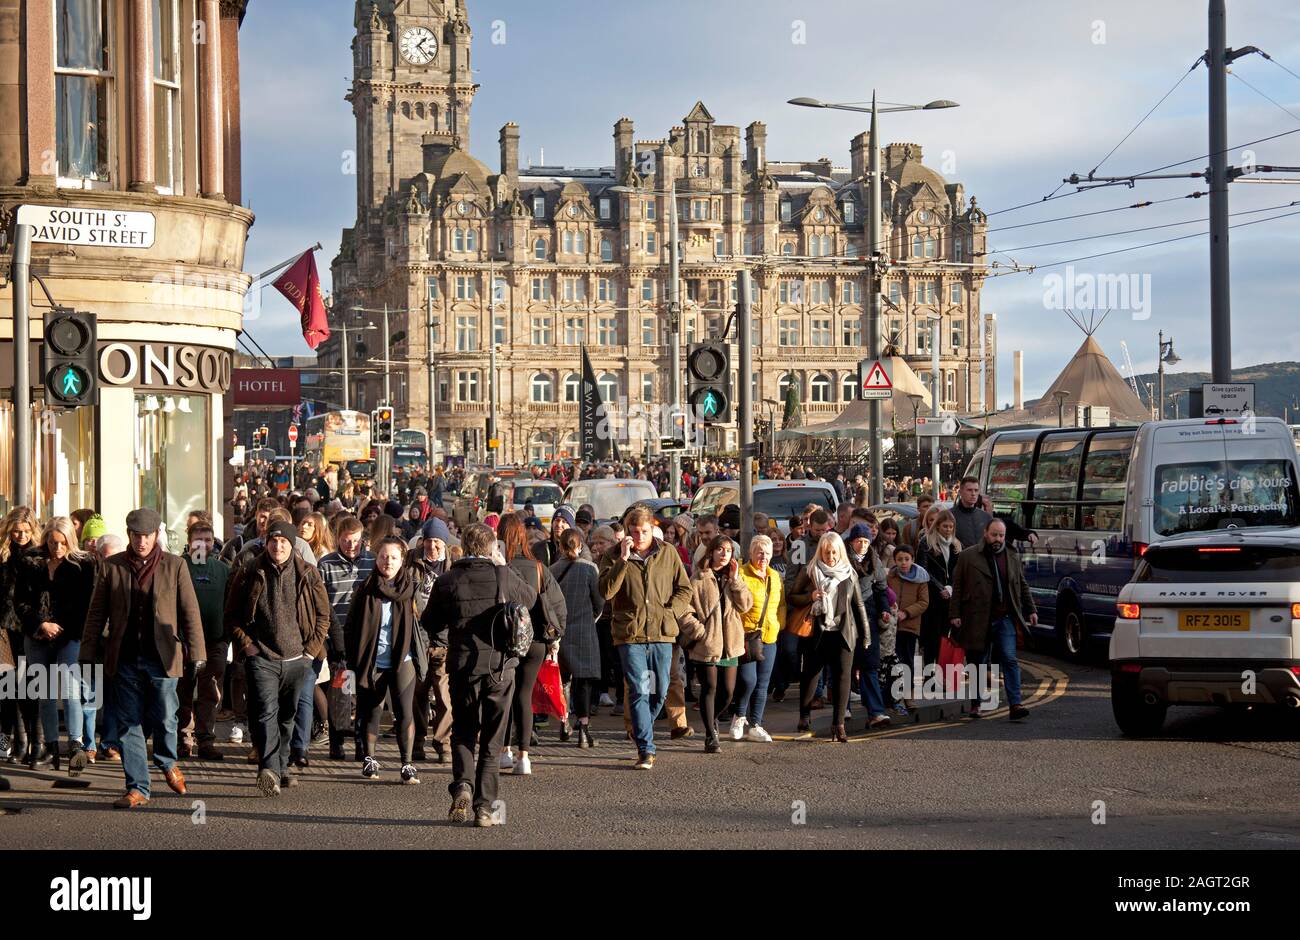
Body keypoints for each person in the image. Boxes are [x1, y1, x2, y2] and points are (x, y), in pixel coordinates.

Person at [81, 508, 205, 808]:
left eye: (147, 536)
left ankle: (166, 762)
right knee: (128, 723)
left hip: (163, 657)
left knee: (165, 717)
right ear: (129, 535)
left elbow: (189, 611)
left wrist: (197, 651)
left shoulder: (175, 566)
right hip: (124, 657)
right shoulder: (112, 566)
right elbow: (97, 612)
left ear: (155, 536)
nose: (141, 542)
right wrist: (87, 651)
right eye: (136, 536)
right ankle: (137, 788)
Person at [422, 523, 537, 827]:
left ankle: (462, 785)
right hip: (500, 667)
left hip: (461, 665)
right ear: (491, 548)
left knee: (462, 730)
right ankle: (484, 807)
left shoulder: (448, 580)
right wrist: (503, 566)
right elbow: (530, 599)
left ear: (462, 544)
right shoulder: (502, 574)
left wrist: (451, 631)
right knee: (492, 739)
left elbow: (429, 621)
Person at [224, 521, 331, 796]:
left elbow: (323, 615)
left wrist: (310, 651)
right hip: (262, 658)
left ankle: (281, 769)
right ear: (266, 542)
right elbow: (232, 614)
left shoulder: (308, 573)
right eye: (273, 540)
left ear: (293, 545)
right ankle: (269, 769)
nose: (278, 546)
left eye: (284, 541)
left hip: (298, 659)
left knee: (287, 716)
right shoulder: (250, 570)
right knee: (264, 714)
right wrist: (248, 645)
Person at [597, 504, 692, 769]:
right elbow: (606, 591)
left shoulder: (669, 553)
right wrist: (623, 560)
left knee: (660, 690)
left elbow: (684, 589)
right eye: (634, 531)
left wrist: (670, 613)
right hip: (630, 634)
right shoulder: (613, 556)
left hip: (662, 633)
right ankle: (645, 748)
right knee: (638, 689)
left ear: (653, 530)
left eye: (644, 531)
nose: (639, 536)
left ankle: (642, 728)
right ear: (627, 531)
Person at [16, 518, 98, 770]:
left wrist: (59, 628)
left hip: (69, 635)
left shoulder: (83, 565)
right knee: (45, 693)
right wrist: (41, 625)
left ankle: (76, 745)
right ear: (46, 541)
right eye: (53, 543)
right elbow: (20, 602)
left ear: (70, 541)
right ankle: (50, 747)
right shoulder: (31, 563)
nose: (58, 548)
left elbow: (86, 604)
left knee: (72, 689)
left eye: (63, 543)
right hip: (37, 635)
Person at [344, 536, 429, 784]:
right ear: (376, 558)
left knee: (404, 713)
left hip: (404, 659)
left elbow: (422, 624)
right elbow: (350, 625)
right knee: (372, 711)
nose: (387, 562)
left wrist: (421, 648)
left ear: (402, 560)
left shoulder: (412, 588)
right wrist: (352, 657)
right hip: (373, 660)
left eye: (393, 557)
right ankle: (370, 759)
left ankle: (407, 763)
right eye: (383, 556)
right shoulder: (366, 587)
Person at [498, 514, 566, 776]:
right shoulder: (539, 567)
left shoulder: (499, 567)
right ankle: (523, 757)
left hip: (505, 639)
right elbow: (558, 606)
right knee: (523, 695)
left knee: (504, 695)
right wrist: (554, 637)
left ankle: (504, 751)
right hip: (536, 639)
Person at [950, 519, 1036, 721]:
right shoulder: (968, 556)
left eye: (1002, 536)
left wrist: (1031, 609)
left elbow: (1021, 584)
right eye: (994, 535)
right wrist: (954, 615)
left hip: (1004, 617)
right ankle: (976, 704)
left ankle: (1015, 704)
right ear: (985, 533)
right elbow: (958, 587)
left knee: (1009, 658)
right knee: (977, 661)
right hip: (977, 617)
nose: (998, 539)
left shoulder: (1012, 555)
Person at [788, 532, 869, 742]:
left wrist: (866, 635)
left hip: (843, 632)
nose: (830, 557)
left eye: (834, 552)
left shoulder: (849, 573)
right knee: (811, 675)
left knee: (843, 677)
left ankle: (839, 724)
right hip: (817, 632)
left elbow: (858, 605)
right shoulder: (809, 571)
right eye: (826, 553)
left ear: (840, 551)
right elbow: (793, 597)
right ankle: (804, 716)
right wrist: (810, 596)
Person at [679, 535, 753, 753]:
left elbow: (746, 605)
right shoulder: (698, 579)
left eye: (728, 551)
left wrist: (736, 580)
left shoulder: (734, 578)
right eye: (720, 549)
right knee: (709, 688)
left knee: (728, 692)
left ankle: (713, 721)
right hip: (707, 642)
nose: (724, 554)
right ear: (710, 552)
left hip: (730, 643)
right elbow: (684, 611)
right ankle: (711, 735)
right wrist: (698, 631)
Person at [318, 515, 376, 760]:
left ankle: (362, 744)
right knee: (340, 693)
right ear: (338, 540)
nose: (352, 545)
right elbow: (322, 604)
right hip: (337, 637)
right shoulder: (326, 565)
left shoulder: (373, 562)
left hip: (365, 637)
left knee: (363, 692)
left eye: (356, 540)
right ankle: (337, 742)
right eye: (346, 541)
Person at [177, 520, 230, 760]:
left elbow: (231, 602)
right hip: (185, 641)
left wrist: (227, 637)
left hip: (215, 640)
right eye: (199, 540)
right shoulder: (179, 566)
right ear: (189, 543)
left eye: (208, 540)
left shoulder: (222, 569)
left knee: (210, 691)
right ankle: (183, 738)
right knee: (184, 689)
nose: (204, 544)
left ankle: (206, 740)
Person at [550, 528, 604, 748]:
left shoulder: (551, 570)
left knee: (562, 682)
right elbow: (599, 602)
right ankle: (583, 728)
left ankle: (564, 723)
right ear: (580, 545)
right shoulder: (590, 569)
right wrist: (590, 618)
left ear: (561, 546)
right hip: (584, 630)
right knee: (583, 682)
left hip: (559, 633)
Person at [734, 534, 784, 743]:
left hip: (769, 635)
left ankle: (756, 724)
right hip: (747, 634)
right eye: (759, 552)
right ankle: (739, 716)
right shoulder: (742, 574)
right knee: (748, 679)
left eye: (767, 552)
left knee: (763, 683)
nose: (763, 556)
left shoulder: (774, 576)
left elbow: (781, 605)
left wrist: (779, 624)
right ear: (751, 553)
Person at [408, 527, 452, 762]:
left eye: (437, 542)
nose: (432, 547)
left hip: (444, 639)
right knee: (418, 693)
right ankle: (417, 742)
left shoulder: (452, 564)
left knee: (445, 695)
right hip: (418, 638)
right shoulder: (412, 561)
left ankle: (443, 743)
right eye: (428, 541)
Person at [0, 507, 40, 764]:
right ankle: (16, 743)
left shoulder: (41, 554)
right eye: (15, 531)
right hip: (3, 627)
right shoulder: (2, 554)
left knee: (30, 687)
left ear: (32, 530)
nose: (19, 535)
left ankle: (36, 743)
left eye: (24, 531)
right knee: (6, 688)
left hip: (29, 627)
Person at [915, 510, 961, 666]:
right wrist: (941, 588)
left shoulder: (956, 545)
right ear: (937, 526)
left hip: (951, 597)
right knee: (931, 638)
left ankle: (942, 673)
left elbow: (960, 571)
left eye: (951, 527)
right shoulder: (926, 543)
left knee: (945, 637)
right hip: (932, 597)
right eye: (945, 526)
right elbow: (923, 570)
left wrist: (952, 588)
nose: (948, 529)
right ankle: (929, 673)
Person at [887, 544, 930, 708]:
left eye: (907, 559)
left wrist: (906, 612)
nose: (903, 563)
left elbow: (924, 602)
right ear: (895, 560)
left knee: (907, 660)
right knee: (892, 660)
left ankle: (909, 695)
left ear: (912, 560)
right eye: (900, 559)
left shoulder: (921, 578)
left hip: (910, 625)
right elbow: (885, 594)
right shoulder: (890, 576)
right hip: (891, 626)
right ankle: (891, 695)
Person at [952, 476, 1035, 550]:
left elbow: (1010, 527)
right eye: (969, 490)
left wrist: (1029, 534)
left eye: (976, 490)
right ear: (960, 492)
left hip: (983, 563)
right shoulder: (950, 516)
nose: (973, 494)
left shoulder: (985, 517)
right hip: (959, 563)